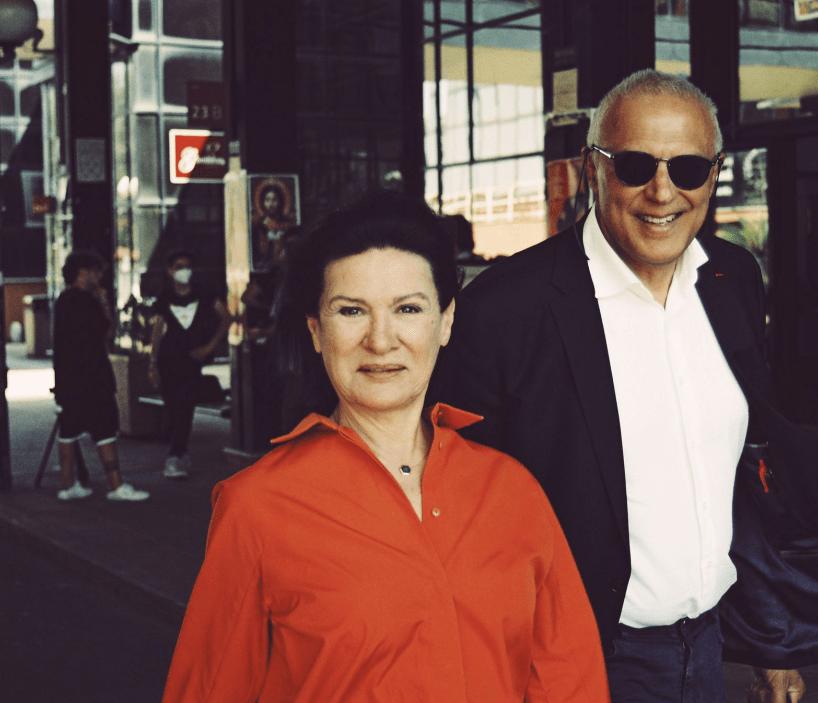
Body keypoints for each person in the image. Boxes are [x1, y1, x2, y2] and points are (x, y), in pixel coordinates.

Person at [432, 69, 818, 703]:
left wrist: (768, 641)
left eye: (688, 168)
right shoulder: (507, 308)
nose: (661, 191)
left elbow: (739, 468)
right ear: (593, 169)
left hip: (707, 647)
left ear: (715, 173)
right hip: (577, 660)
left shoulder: (731, 278)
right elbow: (463, 513)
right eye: (634, 165)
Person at [162, 191, 610, 703]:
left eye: (408, 309)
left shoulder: (511, 491)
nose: (380, 340)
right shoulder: (257, 507)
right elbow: (208, 689)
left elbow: (569, 681)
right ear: (316, 330)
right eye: (351, 310)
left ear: (445, 321)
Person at [53, 250, 149, 502]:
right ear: (83, 272)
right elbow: (107, 333)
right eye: (96, 271)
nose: (99, 276)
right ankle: (116, 485)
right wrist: (104, 302)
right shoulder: (88, 302)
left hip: (68, 379)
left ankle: (68, 485)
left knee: (69, 431)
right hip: (93, 377)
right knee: (104, 429)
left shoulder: (63, 300)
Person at [148, 250, 232, 479]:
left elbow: (226, 317)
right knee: (173, 408)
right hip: (168, 359)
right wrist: (152, 363)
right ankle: (181, 452)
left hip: (192, 361)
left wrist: (209, 346)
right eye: (179, 266)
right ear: (170, 271)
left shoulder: (203, 293)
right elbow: (157, 331)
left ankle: (175, 455)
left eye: (187, 266)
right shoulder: (165, 297)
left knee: (185, 406)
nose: (184, 270)